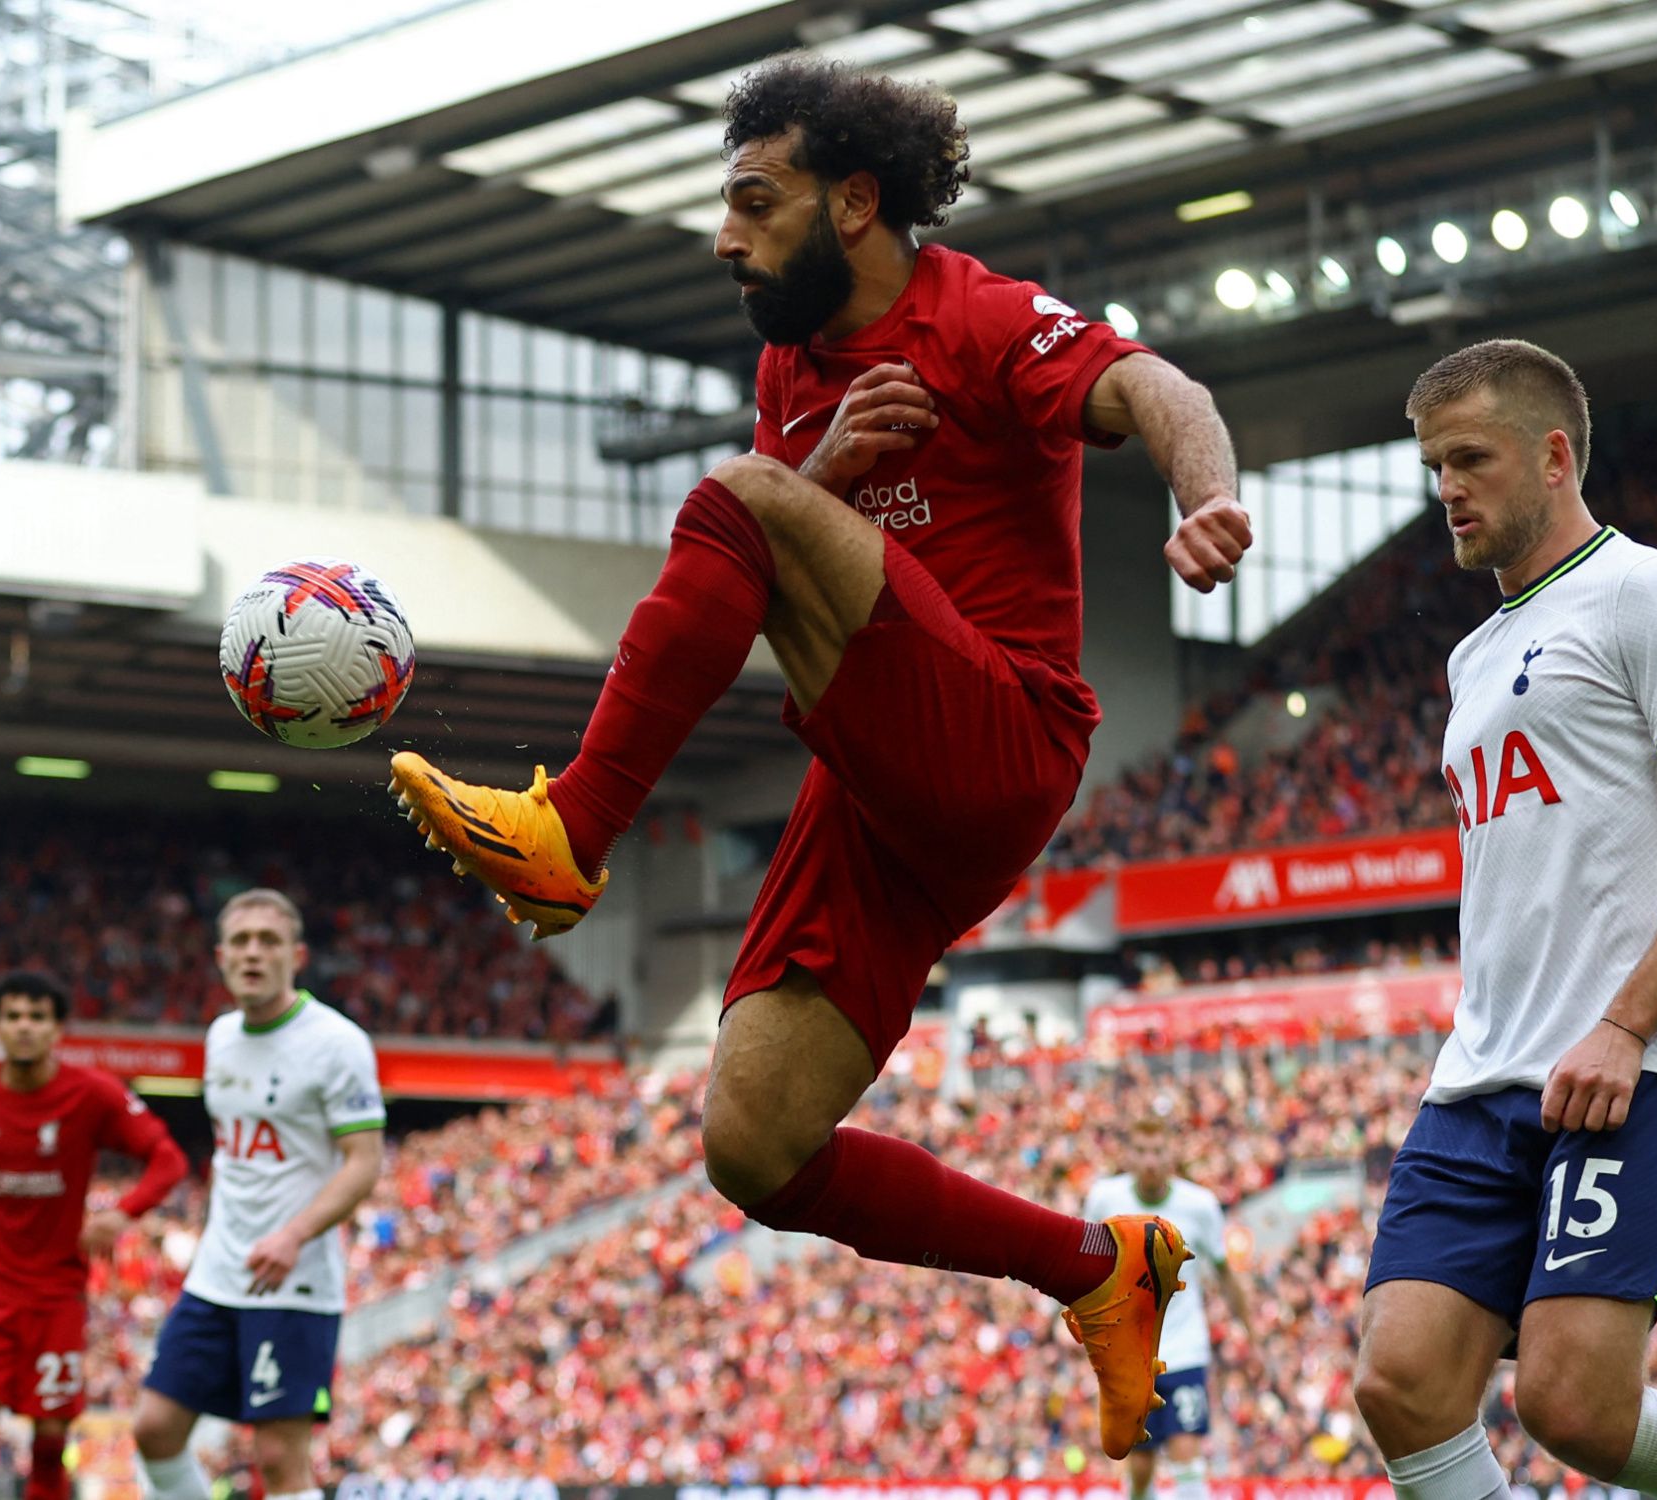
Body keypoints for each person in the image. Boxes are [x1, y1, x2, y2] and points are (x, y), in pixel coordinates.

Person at [386, 56, 1253, 1459]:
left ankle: (574, 834)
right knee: (756, 1147)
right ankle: (1100, 1270)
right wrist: (826, 475)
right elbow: (776, 554)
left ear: (855, 203)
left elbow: (1160, 383)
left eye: (753, 201)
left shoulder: (974, 315)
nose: (725, 237)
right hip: (874, 787)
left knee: (742, 495)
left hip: (1000, 738)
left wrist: (1208, 498)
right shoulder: (790, 366)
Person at [1351, 339, 1657, 1500]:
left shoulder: (1647, 593)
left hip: (1626, 1061)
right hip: (1482, 1073)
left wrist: (1623, 1025)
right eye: (1432, 465)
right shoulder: (1472, 653)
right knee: (1399, 1384)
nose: (1446, 488)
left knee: (1572, 1405)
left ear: (1554, 457)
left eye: (1470, 459)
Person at [132, 890, 385, 1500]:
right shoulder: (220, 1037)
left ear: (296, 955)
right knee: (155, 1430)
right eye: (241, 941)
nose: (253, 953)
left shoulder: (336, 1043)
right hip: (218, 1272)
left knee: (277, 1459)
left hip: (293, 1281)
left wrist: (293, 1234)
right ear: (220, 957)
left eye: (268, 941)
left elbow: (364, 1162)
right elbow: (235, 1152)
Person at [0, 970, 192, 1500]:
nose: (24, 1027)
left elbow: (169, 1159)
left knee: (50, 1444)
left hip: (56, 1291)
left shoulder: (91, 1093)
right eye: (13, 1016)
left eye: (37, 1017)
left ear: (58, 1028)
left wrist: (123, 1213)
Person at [1082, 1116, 1253, 1500]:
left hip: (1186, 1349)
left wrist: (1249, 1329)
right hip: (1130, 1354)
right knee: (1140, 1467)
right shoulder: (1104, 1199)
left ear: (1172, 1153)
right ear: (1128, 1154)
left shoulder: (1199, 1205)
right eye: (1141, 1152)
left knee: (1186, 1451)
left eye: (1158, 1151)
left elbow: (1226, 1273)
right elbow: (1084, 1265)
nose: (1150, 1161)